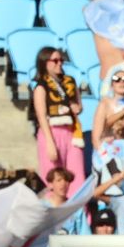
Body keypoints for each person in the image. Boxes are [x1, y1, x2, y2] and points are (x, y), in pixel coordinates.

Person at [31, 48, 85, 197]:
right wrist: (50, 142)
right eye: (55, 60)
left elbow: (79, 105)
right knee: (53, 177)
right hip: (52, 132)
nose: (59, 63)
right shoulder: (41, 86)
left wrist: (77, 108)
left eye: (61, 60)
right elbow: (41, 117)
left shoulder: (70, 82)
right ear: (45, 63)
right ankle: (54, 214)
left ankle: (79, 215)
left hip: (72, 132)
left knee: (77, 176)